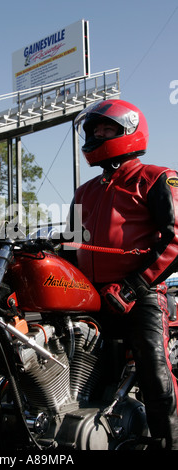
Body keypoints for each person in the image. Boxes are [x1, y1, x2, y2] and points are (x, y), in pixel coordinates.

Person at [66, 99, 178, 449]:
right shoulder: (84, 192)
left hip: (141, 295)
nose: (97, 134)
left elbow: (175, 239)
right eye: (94, 129)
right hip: (92, 297)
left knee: (154, 373)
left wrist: (133, 286)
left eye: (106, 129)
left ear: (129, 130)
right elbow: (69, 246)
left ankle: (169, 441)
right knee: (82, 373)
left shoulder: (158, 177)